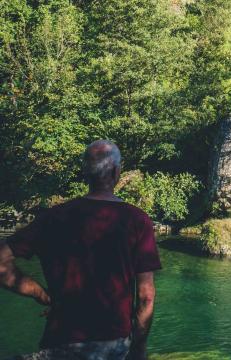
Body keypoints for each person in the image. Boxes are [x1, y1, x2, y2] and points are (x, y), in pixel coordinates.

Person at [0, 140, 162, 360]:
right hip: (113, 344)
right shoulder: (137, 220)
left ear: (85, 173)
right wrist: (138, 348)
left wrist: (40, 293)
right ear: (116, 172)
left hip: (61, 341)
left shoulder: (53, 217)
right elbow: (146, 297)